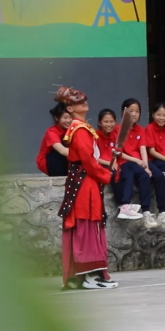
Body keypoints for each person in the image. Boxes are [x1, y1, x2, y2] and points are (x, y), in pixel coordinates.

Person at [54, 86, 118, 290]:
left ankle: (82, 276)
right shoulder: (80, 130)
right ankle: (90, 275)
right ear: (70, 109)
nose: (83, 103)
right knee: (87, 224)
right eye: (78, 102)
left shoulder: (81, 128)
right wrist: (106, 175)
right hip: (85, 182)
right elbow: (88, 161)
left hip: (84, 180)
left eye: (83, 100)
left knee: (86, 224)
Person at [114, 99, 152, 224]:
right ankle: (125, 205)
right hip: (124, 161)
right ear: (124, 112)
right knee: (128, 175)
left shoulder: (141, 130)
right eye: (131, 111)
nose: (134, 114)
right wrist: (137, 160)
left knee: (144, 175)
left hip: (137, 163)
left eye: (137, 111)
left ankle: (146, 210)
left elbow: (143, 149)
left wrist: (146, 166)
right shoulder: (118, 129)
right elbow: (118, 152)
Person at [36, 104, 73, 176]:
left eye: (70, 117)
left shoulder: (72, 129)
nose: (68, 120)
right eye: (65, 117)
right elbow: (63, 151)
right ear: (56, 118)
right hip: (49, 163)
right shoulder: (51, 132)